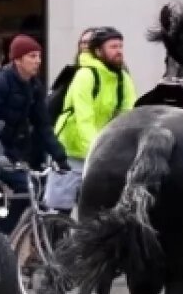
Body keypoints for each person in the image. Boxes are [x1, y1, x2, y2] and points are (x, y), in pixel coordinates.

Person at [0, 34, 70, 232]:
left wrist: (60, 156)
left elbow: (43, 125)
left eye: (39, 56)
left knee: (33, 188)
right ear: (17, 59)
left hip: (14, 152)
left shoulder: (34, 87)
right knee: (20, 189)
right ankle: (4, 234)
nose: (38, 61)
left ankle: (11, 235)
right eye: (32, 56)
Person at [46, 26, 135, 210]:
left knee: (101, 210)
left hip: (100, 153)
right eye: (113, 47)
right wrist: (98, 152)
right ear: (98, 51)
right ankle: (52, 237)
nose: (119, 51)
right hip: (71, 151)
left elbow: (129, 116)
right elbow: (83, 119)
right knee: (59, 211)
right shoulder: (85, 76)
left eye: (120, 46)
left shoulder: (122, 79)